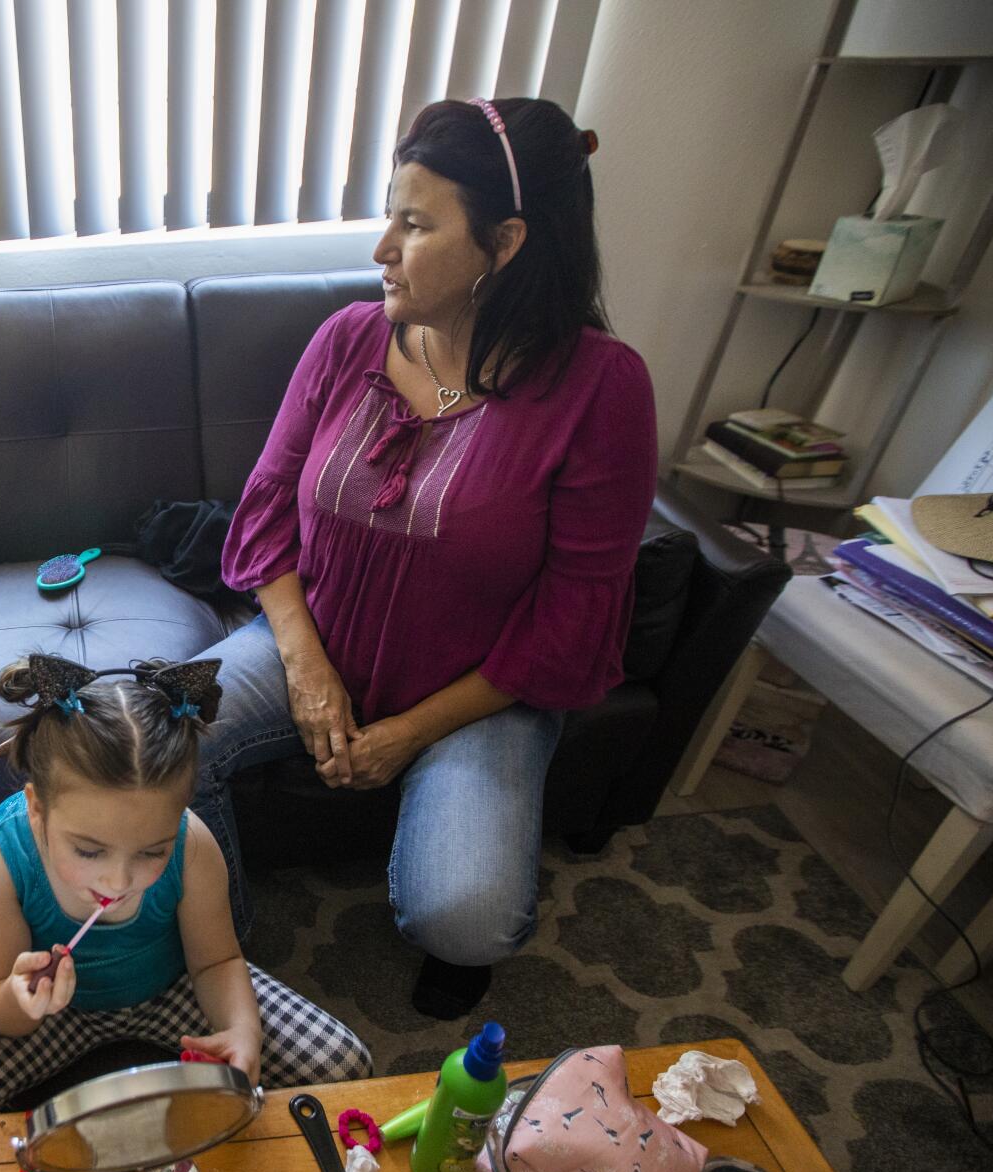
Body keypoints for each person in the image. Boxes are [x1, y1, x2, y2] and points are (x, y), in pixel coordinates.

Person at [194, 98, 658, 1020]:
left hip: (481, 689)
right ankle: (217, 950)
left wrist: (409, 733)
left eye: (414, 223)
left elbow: (574, 615)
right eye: (389, 216)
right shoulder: (348, 339)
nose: (381, 249)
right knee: (149, 740)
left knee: (467, 918)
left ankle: (452, 906)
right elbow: (265, 511)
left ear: (506, 241)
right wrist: (306, 665)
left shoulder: (602, 389)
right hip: (313, 639)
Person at [0, 654, 370, 1119]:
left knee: (344, 1063)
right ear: (37, 808)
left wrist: (242, 1031)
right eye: (88, 850)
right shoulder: (1, 856)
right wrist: (21, 1002)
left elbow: (217, 962)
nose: (119, 881)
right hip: (56, 1014)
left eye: (151, 852)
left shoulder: (193, 844)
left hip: (171, 989)